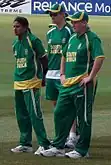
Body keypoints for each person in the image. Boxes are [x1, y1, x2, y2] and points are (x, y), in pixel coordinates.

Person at [40, 11, 105, 159]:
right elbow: (64, 55)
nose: (73, 24)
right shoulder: (72, 38)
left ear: (84, 23)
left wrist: (90, 76)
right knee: (59, 113)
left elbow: (99, 57)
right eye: (73, 22)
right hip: (67, 84)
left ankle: (82, 150)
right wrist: (62, 74)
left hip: (82, 84)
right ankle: (58, 146)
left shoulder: (92, 38)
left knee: (83, 118)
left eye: (76, 22)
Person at [11, 16, 51, 155]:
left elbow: (44, 59)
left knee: (35, 114)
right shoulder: (15, 44)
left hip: (31, 82)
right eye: (14, 26)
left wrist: (44, 76)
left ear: (25, 27)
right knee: (21, 115)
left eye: (18, 26)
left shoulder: (33, 41)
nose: (15, 29)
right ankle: (25, 143)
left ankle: (44, 144)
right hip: (18, 83)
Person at [45, 4, 78, 148]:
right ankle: (60, 135)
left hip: (65, 74)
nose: (52, 16)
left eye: (55, 14)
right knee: (56, 107)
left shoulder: (70, 31)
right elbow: (50, 54)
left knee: (68, 106)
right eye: (51, 14)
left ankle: (72, 135)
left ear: (63, 14)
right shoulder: (50, 32)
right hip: (51, 74)